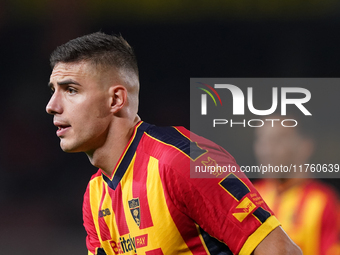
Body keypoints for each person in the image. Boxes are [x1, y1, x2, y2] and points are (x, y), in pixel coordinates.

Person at [46, 32, 301, 255]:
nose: (52, 106)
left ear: (115, 100)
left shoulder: (181, 161)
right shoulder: (95, 195)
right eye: (53, 90)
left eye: (70, 90)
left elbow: (282, 250)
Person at [253, 115, 340, 255]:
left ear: (305, 146)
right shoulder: (251, 196)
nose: (266, 150)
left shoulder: (323, 202)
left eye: (278, 140)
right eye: (262, 141)